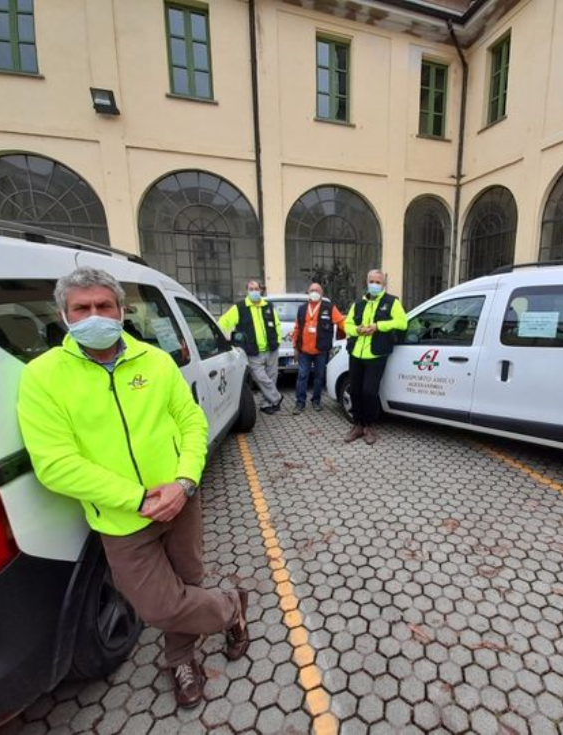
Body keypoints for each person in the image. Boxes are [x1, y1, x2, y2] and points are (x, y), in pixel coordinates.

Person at [17, 267, 249, 710]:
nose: (95, 316)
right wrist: (139, 498)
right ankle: (230, 607)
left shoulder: (156, 361)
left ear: (122, 311)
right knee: (160, 606)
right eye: (82, 308)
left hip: (181, 501)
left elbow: (191, 422)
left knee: (187, 581)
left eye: (104, 306)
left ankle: (180, 658)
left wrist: (183, 482)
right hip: (122, 517)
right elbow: (55, 464)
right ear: (64, 316)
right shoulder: (42, 377)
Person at [343, 269, 408, 445]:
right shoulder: (358, 303)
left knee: (369, 392)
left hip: (376, 353)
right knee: (355, 390)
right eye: (371, 281)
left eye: (378, 282)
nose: (374, 285)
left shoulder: (392, 302)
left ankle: (369, 426)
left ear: (383, 284)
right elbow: (346, 324)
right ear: (367, 282)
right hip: (356, 352)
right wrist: (357, 329)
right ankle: (357, 425)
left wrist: (378, 326)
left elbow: (402, 322)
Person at [219, 280, 284, 414]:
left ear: (260, 290)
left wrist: (278, 340)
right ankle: (277, 397)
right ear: (247, 290)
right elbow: (223, 322)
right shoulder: (240, 307)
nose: (254, 291)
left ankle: (269, 403)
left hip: (271, 349)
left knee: (272, 377)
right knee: (260, 377)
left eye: (256, 288)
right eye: (251, 289)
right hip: (253, 351)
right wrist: (222, 335)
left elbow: (277, 324)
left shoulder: (268, 306)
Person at [290, 283, 345, 414]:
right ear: (308, 292)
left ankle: (316, 401)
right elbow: (297, 328)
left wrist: (353, 332)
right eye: (312, 290)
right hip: (304, 350)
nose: (314, 292)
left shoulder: (329, 308)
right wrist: (295, 347)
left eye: (317, 290)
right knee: (302, 376)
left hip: (321, 350)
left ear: (321, 293)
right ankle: (300, 403)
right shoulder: (302, 309)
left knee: (319, 377)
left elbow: (341, 322)